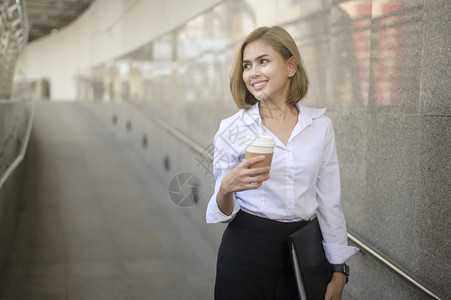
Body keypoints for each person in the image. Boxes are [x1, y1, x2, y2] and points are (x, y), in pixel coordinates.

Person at [206, 26, 359, 300]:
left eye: (263, 61)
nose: (253, 72)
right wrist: (226, 189)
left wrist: (338, 270)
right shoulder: (232, 129)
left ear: (291, 66)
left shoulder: (320, 126)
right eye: (247, 65)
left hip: (303, 254)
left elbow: (329, 202)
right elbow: (222, 211)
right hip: (245, 253)